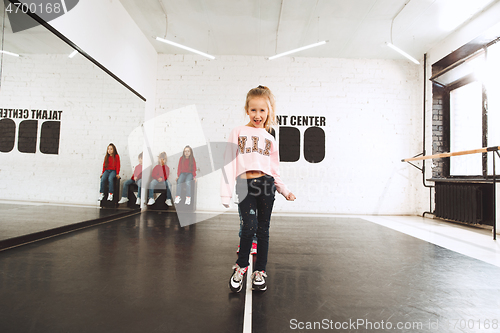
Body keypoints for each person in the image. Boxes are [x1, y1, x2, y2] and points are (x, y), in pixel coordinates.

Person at [221, 85, 296, 293]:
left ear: (268, 111)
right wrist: (225, 192)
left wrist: (284, 190)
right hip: (245, 185)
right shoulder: (237, 132)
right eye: (253, 110)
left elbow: (274, 170)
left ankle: (260, 272)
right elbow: (228, 162)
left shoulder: (270, 138)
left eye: (262, 110)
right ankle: (241, 267)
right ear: (247, 109)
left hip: (266, 185)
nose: (258, 115)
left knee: (263, 229)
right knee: (249, 227)